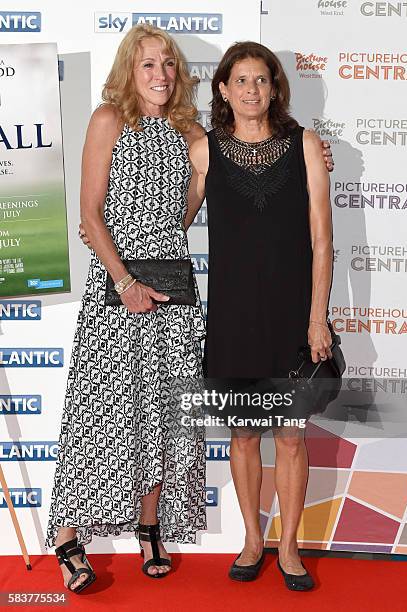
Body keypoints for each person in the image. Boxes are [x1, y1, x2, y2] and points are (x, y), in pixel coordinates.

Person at [45, 24, 207, 592]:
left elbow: (187, 212)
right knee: (101, 413)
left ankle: (149, 525)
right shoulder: (108, 121)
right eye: (147, 65)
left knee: (163, 415)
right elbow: (90, 217)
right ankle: (68, 536)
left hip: (173, 292)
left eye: (167, 64)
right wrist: (126, 280)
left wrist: (317, 152)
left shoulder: (190, 132)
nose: (160, 75)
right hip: (117, 290)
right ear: (128, 70)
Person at [186, 41, 333, 591]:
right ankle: (253, 539)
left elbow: (323, 241)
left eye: (262, 80)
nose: (252, 90)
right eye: (241, 81)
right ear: (222, 89)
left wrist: (316, 319)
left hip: (291, 316)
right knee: (244, 435)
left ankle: (290, 547)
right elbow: (172, 219)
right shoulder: (205, 150)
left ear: (275, 88)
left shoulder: (305, 145)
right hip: (231, 317)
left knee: (292, 437)